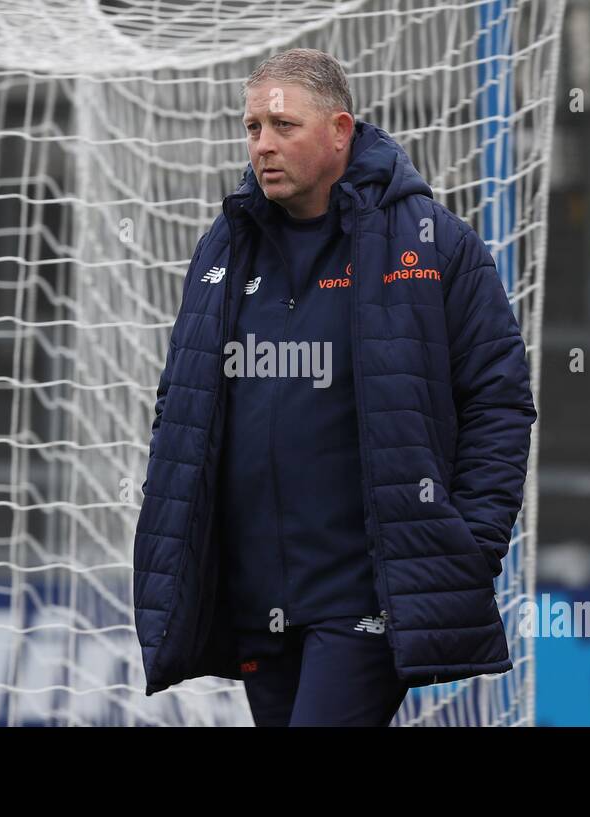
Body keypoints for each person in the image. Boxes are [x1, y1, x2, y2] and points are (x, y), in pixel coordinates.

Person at [132, 48, 537, 726]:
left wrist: (467, 543)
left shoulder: (434, 244)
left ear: (340, 130)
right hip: (257, 597)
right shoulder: (224, 247)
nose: (263, 144)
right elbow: (182, 400)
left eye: (283, 126)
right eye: (253, 126)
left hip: (365, 601)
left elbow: (498, 400)